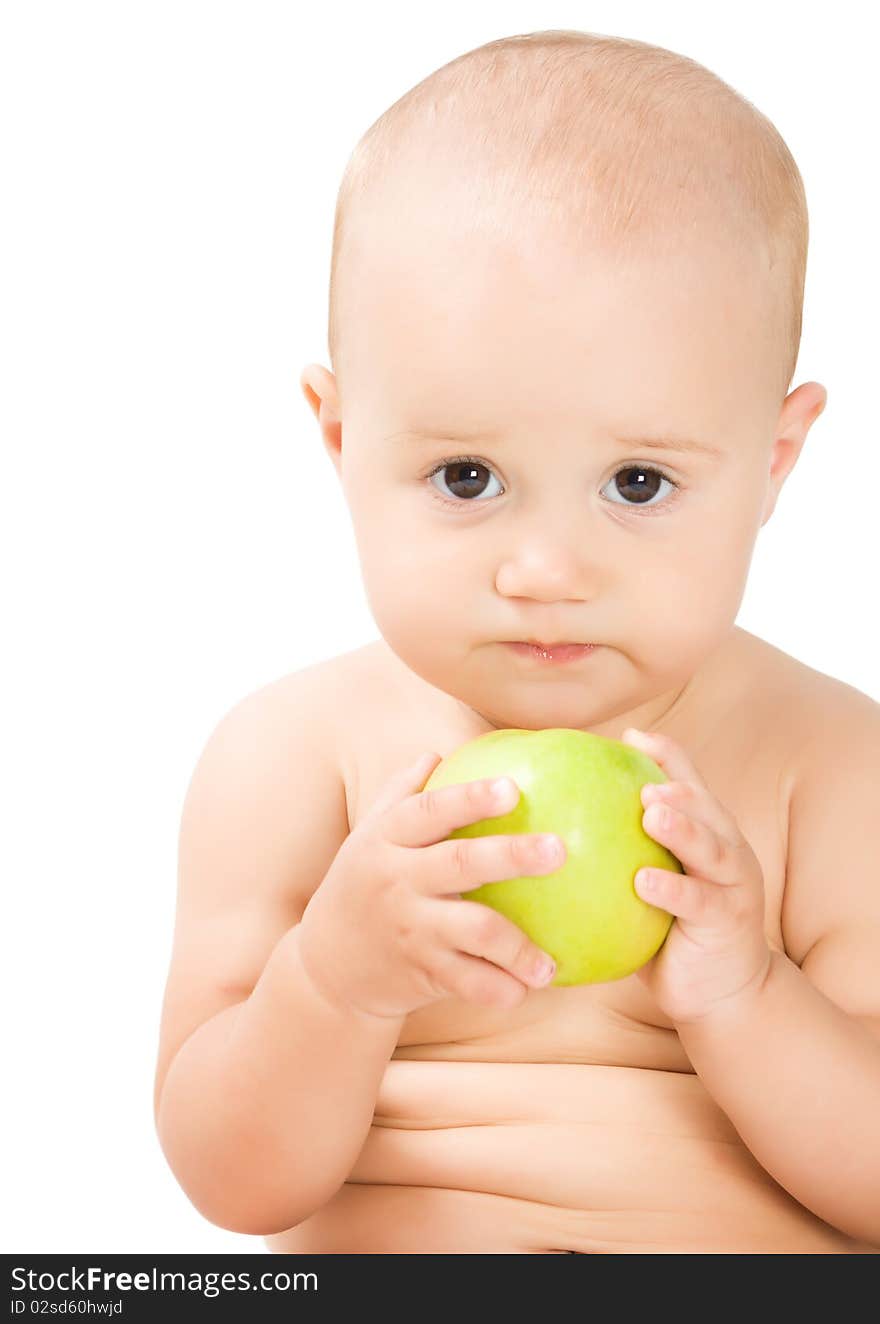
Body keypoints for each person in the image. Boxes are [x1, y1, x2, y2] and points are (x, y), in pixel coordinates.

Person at [153, 29, 880, 1253]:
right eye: (468, 473)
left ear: (772, 462)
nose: (543, 573)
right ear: (340, 442)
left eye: (638, 482)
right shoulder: (293, 759)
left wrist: (747, 996)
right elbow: (231, 1182)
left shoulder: (831, 767)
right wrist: (336, 981)